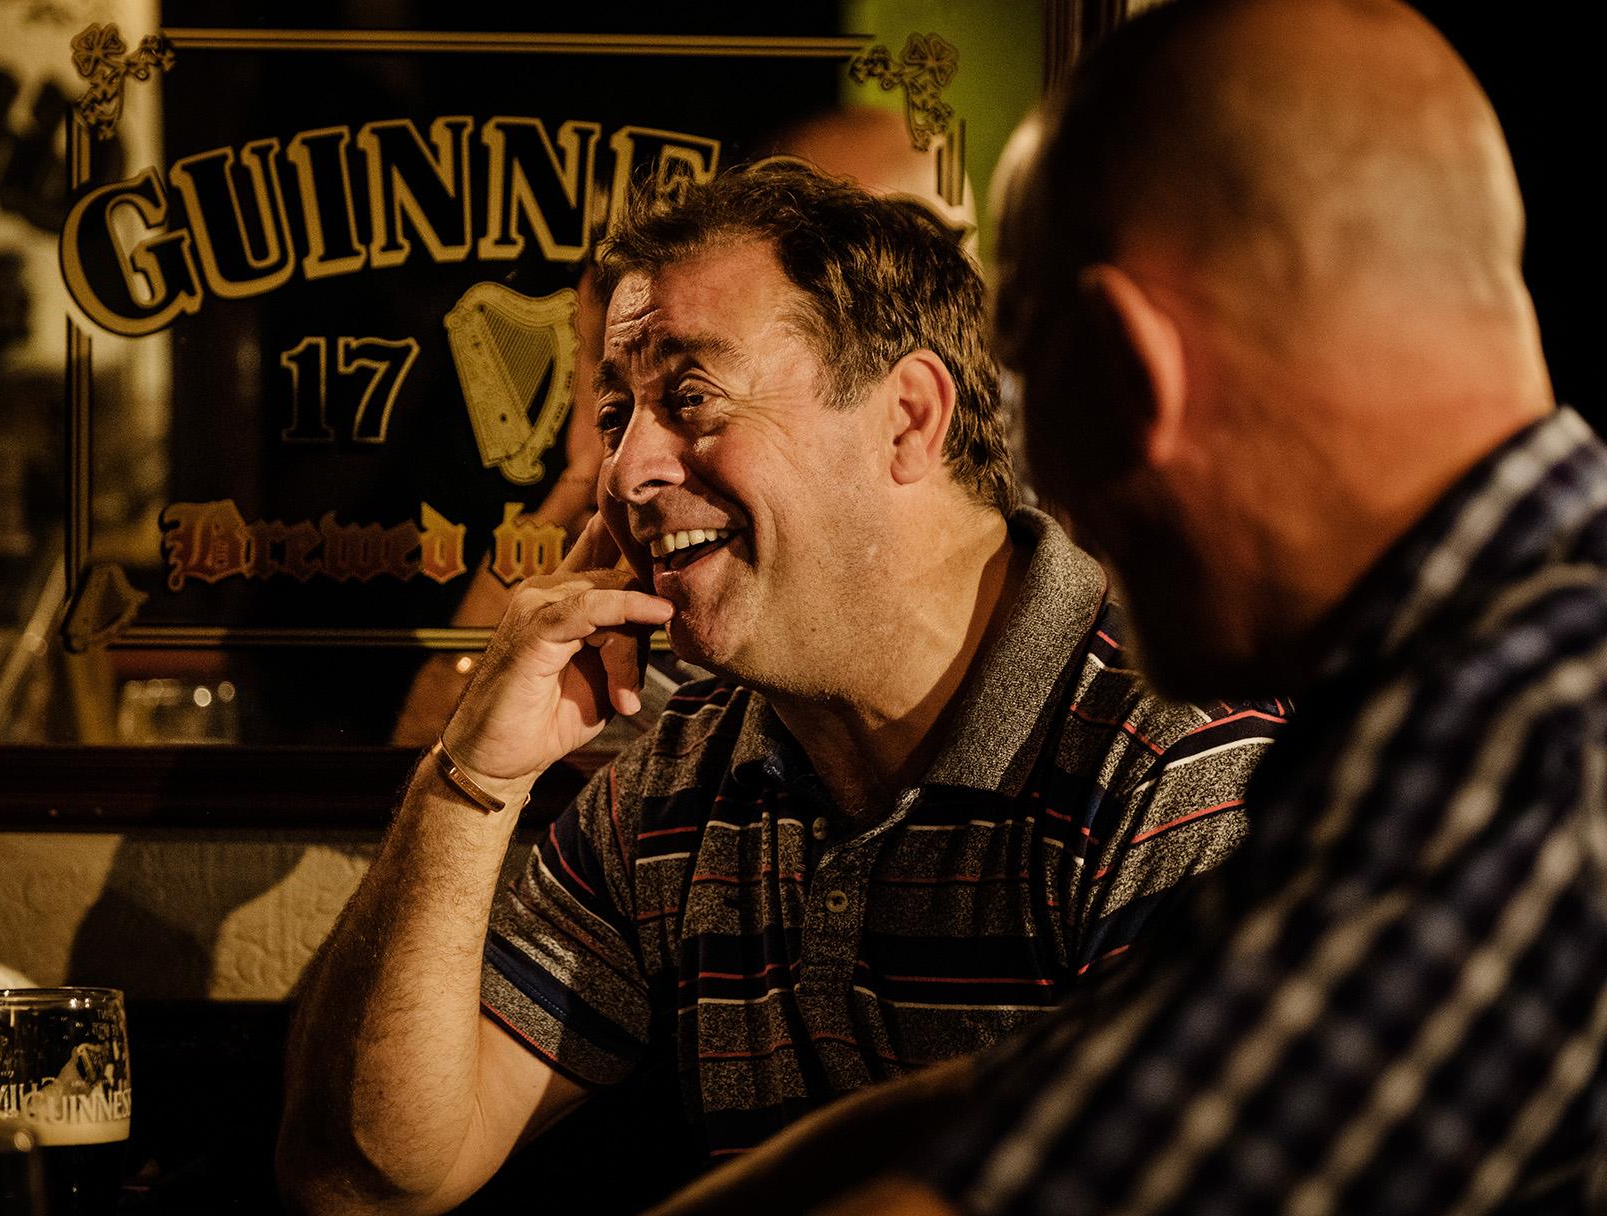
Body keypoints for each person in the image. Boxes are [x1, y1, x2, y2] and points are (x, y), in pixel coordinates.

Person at [647, 2, 1607, 1213]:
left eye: (1020, 376)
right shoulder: (1482, 664)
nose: (1039, 495)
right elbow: (1087, 1082)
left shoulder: (1525, 741)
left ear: (1122, 366)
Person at [275, 164, 1285, 1215]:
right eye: (617, 415)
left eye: (690, 398)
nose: (625, 473)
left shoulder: (1173, 759)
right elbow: (364, 1176)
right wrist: (468, 781)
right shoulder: (680, 773)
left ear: (907, 418)